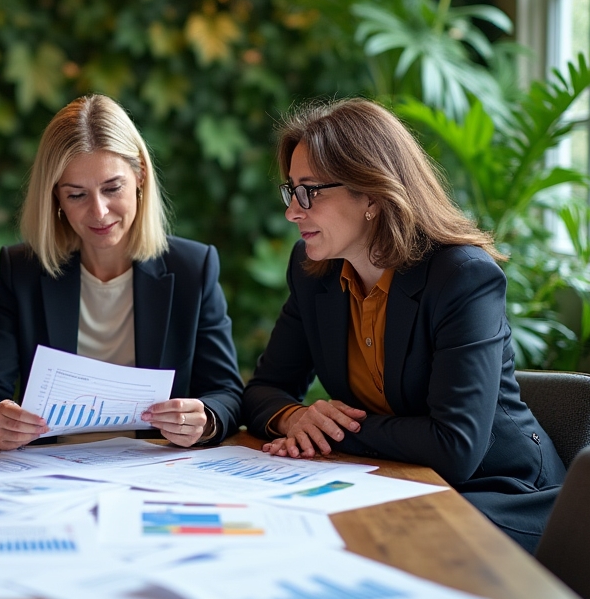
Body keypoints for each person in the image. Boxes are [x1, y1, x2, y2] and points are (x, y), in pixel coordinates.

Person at [242, 98, 565, 552]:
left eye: (310, 192)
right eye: (291, 190)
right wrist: (297, 416)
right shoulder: (313, 270)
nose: (293, 211)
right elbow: (263, 390)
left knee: (361, 545)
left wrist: (334, 429)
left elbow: (454, 447)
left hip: (500, 493)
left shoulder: (462, 276)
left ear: (372, 193)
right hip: (392, 481)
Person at [0, 94, 243, 450]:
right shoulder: (23, 272)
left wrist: (204, 419)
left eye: (112, 188)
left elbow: (227, 393)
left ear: (139, 175)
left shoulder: (192, 269)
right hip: (48, 471)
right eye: (77, 195)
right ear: (55, 199)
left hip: (153, 469)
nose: (99, 212)